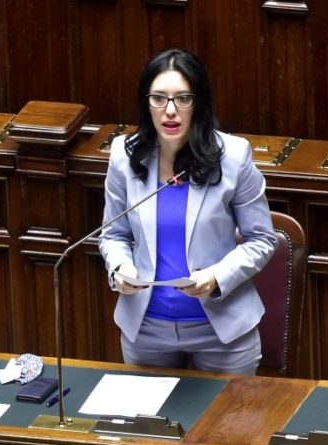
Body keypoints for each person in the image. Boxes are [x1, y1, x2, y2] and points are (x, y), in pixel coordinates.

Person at [98, 48, 276, 375]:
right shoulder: (125, 155)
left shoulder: (233, 156)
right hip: (146, 331)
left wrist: (217, 276)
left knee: (229, 413)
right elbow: (113, 235)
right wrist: (120, 267)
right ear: (146, 103)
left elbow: (262, 239)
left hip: (222, 332)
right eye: (158, 99)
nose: (170, 110)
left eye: (182, 99)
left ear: (199, 103)